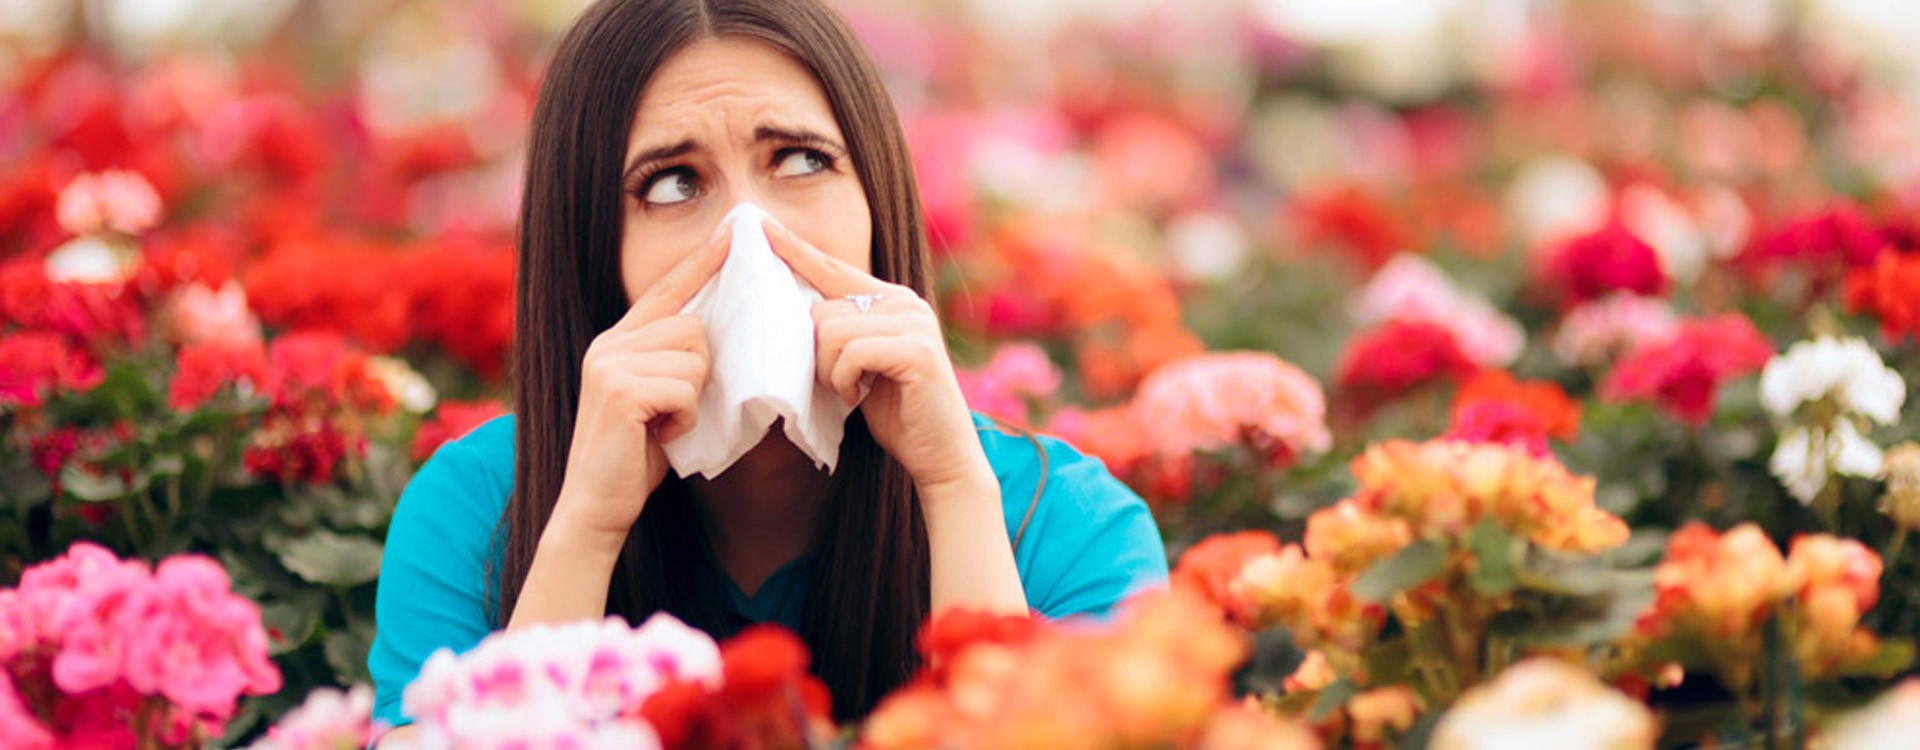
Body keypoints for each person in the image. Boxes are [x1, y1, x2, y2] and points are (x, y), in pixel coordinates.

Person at [367, 0, 1168, 738]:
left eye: (798, 161)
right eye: (673, 183)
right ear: (591, 250)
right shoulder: (475, 511)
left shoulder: (1066, 523)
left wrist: (954, 492)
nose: (750, 234)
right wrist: (584, 527)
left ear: (876, 200)